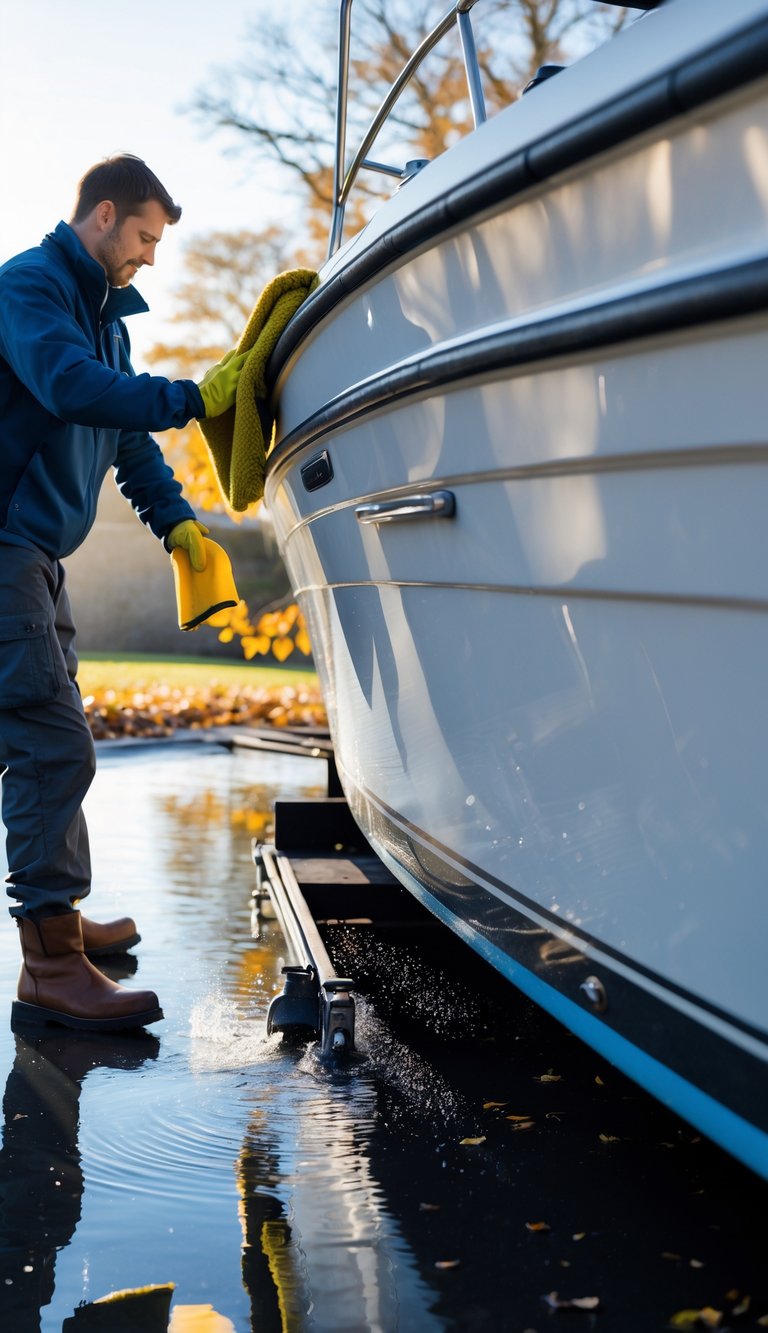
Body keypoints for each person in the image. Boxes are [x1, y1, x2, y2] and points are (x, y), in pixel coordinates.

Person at [0, 154, 246, 1033]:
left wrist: (179, 524)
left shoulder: (110, 324)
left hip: (39, 556)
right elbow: (69, 386)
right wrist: (189, 396)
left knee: (57, 739)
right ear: (104, 216)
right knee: (49, 744)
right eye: (144, 237)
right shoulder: (29, 290)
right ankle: (50, 966)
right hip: (4, 548)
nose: (149, 258)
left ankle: (59, 924)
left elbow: (128, 444)